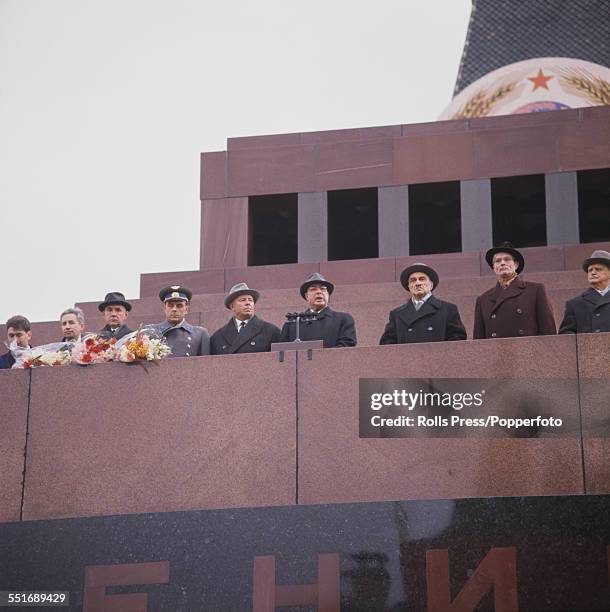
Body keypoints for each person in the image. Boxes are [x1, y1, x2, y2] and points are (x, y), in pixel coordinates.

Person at [473, 243, 556, 339]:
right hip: (495, 352)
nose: (502, 263)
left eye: (507, 259)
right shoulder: (483, 300)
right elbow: (478, 342)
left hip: (528, 351)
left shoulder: (535, 290)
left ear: (516, 264)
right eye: (497, 261)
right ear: (494, 268)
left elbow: (548, 332)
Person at [379, 263, 466, 344]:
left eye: (422, 279)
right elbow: (387, 343)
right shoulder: (396, 314)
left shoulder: (448, 309)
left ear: (431, 285)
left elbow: (457, 339)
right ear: (409, 286)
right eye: (413, 280)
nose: (417, 283)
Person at [279, 273, 357, 348]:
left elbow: (347, 348)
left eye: (323, 289)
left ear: (328, 295)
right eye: (313, 289)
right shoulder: (294, 323)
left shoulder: (343, 319)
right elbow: (282, 352)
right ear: (306, 296)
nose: (319, 292)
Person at [211, 283, 281, 355]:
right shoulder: (217, 337)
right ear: (232, 306)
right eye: (242, 300)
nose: (248, 303)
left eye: (250, 300)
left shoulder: (271, 331)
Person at [559, 250, 610, 334]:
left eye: (598, 269)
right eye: (590, 270)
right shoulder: (575, 304)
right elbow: (566, 335)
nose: (593, 273)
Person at [157, 285, 210, 357]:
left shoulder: (200, 334)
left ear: (186, 309)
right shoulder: (151, 332)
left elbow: (205, 364)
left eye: (179, 306)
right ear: (164, 308)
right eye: (170, 305)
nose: (174, 309)